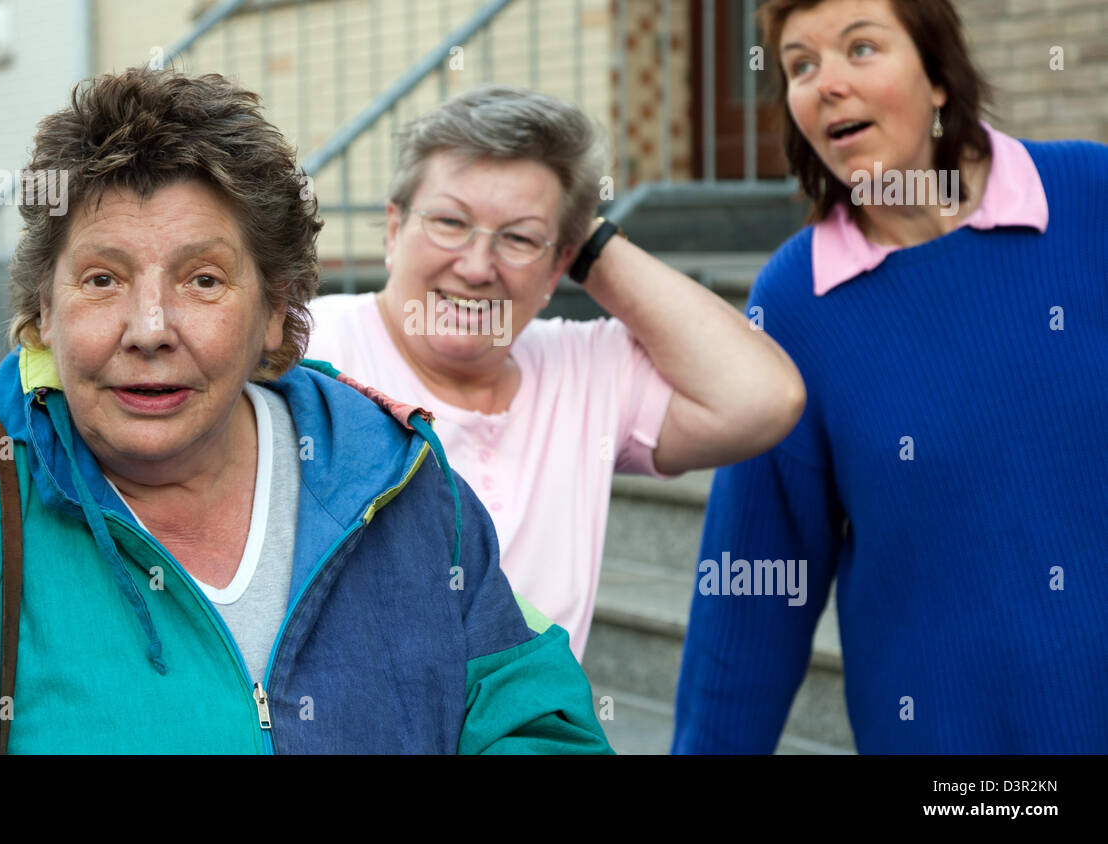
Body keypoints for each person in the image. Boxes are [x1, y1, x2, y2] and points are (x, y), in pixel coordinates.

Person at [0, 67, 611, 754]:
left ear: (275, 312)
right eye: (101, 279)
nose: (149, 329)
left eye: (203, 280)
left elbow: (538, 721)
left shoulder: (398, 480)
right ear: (42, 313)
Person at [673, 0, 1108, 754]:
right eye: (799, 66)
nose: (825, 81)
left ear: (938, 75)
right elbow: (756, 588)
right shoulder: (798, 301)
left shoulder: (1090, 199)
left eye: (860, 47)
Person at [306, 86, 807, 660]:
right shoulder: (311, 350)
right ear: (394, 229)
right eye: (449, 221)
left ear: (558, 268)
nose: (475, 267)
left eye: (519, 238)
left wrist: (588, 243)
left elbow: (767, 398)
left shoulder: (585, 367)